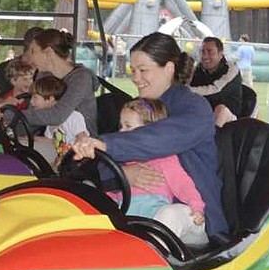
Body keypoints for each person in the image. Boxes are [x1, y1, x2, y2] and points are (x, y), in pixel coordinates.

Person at [71, 32, 228, 246]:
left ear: (169, 68)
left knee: (169, 217)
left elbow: (160, 138)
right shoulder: (139, 108)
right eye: (133, 71)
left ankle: (142, 266)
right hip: (142, 209)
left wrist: (107, 144)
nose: (135, 78)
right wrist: (123, 173)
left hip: (193, 214)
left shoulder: (194, 108)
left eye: (143, 70)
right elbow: (111, 160)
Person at [106, 98, 206, 242]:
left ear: (150, 131)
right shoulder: (122, 164)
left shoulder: (165, 159)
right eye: (121, 126)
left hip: (162, 221)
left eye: (128, 126)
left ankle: (154, 252)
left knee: (171, 214)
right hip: (132, 225)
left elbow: (183, 184)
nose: (121, 131)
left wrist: (196, 206)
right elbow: (112, 194)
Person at [1, 28, 99, 138]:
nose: (30, 57)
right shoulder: (43, 75)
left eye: (33, 51)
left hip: (82, 146)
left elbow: (57, 115)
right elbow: (36, 115)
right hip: (53, 139)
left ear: (48, 52)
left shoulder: (81, 78)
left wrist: (11, 114)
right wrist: (10, 127)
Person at [29, 75, 87, 162]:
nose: (31, 101)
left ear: (50, 99)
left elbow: (82, 139)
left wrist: (66, 158)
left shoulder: (73, 117)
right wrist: (28, 138)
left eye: (35, 97)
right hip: (60, 157)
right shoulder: (49, 119)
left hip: (76, 161)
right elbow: (50, 140)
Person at [189, 36, 243, 123]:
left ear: (220, 54)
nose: (205, 56)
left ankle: (213, 136)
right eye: (203, 52)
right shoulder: (198, 69)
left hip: (230, 118)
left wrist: (185, 90)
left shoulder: (232, 69)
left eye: (210, 52)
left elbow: (216, 90)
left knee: (220, 110)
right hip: (205, 113)